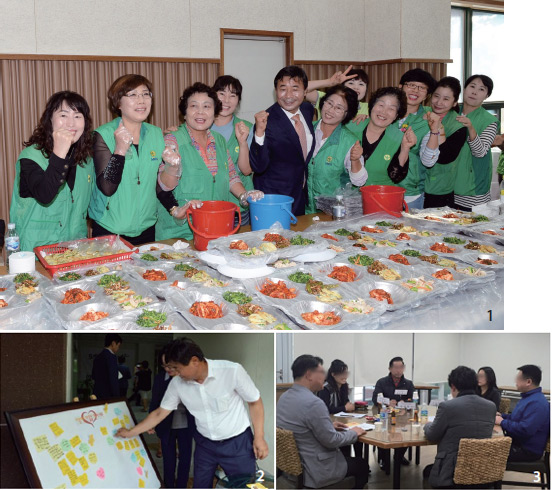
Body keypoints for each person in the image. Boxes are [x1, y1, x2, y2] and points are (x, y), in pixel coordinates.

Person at [115, 337, 269, 489]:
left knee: (244, 485)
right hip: (205, 445)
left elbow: (254, 401)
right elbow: (159, 413)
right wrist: (131, 432)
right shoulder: (177, 384)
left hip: (237, 444)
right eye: (169, 368)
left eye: (176, 368)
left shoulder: (232, 371)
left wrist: (259, 437)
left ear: (194, 361)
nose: (173, 373)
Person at [155, 82, 263, 240]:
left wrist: (245, 195)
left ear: (214, 113)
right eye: (193, 106)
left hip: (217, 228)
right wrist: (172, 166)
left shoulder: (219, 140)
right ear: (184, 113)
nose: (200, 112)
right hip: (181, 233)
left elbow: (232, 176)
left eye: (207, 107)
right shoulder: (172, 140)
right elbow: (164, 186)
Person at [88, 74, 177, 246]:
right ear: (118, 103)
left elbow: (155, 183)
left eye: (145, 94)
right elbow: (107, 187)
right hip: (110, 229)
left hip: (147, 227)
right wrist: (119, 151)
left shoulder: (155, 134)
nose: (141, 100)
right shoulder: (104, 134)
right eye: (133, 95)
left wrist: (174, 208)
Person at [9, 91, 95, 252]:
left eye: (78, 116)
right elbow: (44, 195)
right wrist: (59, 153)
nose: (71, 123)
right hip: (36, 252)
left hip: (75, 251)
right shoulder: (31, 156)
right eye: (63, 115)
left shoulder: (86, 161)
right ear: (50, 120)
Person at [277, 355, 369, 489]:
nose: (324, 377)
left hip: (292, 467)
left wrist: (329, 426)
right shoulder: (313, 402)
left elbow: (302, 426)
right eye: (321, 373)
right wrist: (353, 433)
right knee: (362, 465)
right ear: (309, 375)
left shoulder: (284, 397)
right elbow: (332, 440)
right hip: (315, 469)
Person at [250, 66, 316, 216]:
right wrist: (259, 132)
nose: (289, 95)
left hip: (299, 195)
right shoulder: (267, 120)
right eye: (283, 89)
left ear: (305, 92)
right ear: (276, 91)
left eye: (295, 88)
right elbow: (259, 167)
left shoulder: (307, 110)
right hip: (273, 199)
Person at [424, 366, 496, 488]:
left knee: (427, 471)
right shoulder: (491, 406)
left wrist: (427, 425)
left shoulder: (448, 406)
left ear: (453, 386)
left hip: (452, 472)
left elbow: (432, 435)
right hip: (482, 470)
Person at [305, 85, 366, 214]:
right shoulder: (306, 130)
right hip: (303, 210)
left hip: (333, 212)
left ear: (346, 114)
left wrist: (355, 160)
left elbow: (359, 181)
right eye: (329, 103)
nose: (330, 110)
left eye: (339, 108)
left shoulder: (349, 141)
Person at [347, 87, 417, 187]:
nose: (383, 112)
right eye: (381, 105)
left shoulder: (399, 138)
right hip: (346, 196)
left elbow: (396, 177)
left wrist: (405, 148)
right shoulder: (351, 127)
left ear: (397, 115)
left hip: (381, 196)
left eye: (391, 109)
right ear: (371, 106)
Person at [149, 344, 195, 488]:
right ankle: (168, 485)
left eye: (170, 366)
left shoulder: (188, 378)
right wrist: (151, 422)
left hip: (185, 424)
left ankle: (181, 485)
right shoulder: (159, 378)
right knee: (168, 459)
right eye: (164, 366)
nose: (167, 369)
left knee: (185, 458)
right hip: (166, 424)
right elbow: (155, 400)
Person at [211, 75, 255, 225]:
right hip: (211, 203)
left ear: (238, 101)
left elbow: (246, 170)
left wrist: (242, 142)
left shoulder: (247, 128)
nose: (226, 100)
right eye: (221, 93)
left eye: (233, 95)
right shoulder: (201, 127)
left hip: (239, 205)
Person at [422, 76, 470, 209]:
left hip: (439, 187)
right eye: (436, 96)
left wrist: (439, 129)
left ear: (454, 103)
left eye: (446, 99)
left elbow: (445, 157)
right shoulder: (423, 114)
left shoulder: (459, 124)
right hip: (415, 184)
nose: (439, 102)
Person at [454, 75, 500, 210]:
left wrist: (471, 128)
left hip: (472, 190)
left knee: (470, 227)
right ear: (465, 88)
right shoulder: (452, 112)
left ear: (487, 95)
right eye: (472, 86)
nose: (474, 92)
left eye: (481, 89)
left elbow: (480, 152)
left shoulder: (490, 121)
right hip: (446, 185)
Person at [396, 69, 438, 209]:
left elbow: (429, 161)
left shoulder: (429, 119)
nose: (416, 91)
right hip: (379, 186)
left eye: (422, 88)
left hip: (410, 193)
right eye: (411, 85)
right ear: (400, 87)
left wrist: (435, 131)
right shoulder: (384, 112)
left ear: (427, 95)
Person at [496, 365, 550, 462]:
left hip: (527, 450)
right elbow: (515, 418)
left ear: (528, 382)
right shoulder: (528, 398)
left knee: (488, 453)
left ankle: (495, 476)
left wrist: (502, 422)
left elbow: (525, 430)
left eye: (518, 379)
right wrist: (502, 416)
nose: (515, 382)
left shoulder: (537, 403)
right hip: (518, 443)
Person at [372, 357, 415, 470]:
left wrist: (404, 403)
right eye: (395, 367)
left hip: (402, 418)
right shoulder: (382, 382)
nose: (398, 370)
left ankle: (399, 456)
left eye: (401, 367)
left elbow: (413, 400)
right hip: (385, 416)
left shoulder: (408, 384)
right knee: (383, 434)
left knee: (405, 434)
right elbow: (375, 398)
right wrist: (387, 402)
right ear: (390, 368)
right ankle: (383, 458)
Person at [317, 359, 364, 460]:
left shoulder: (343, 386)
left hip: (343, 419)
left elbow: (345, 402)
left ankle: (359, 460)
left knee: (358, 436)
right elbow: (325, 409)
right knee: (347, 435)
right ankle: (346, 461)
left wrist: (349, 406)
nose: (345, 376)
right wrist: (344, 408)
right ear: (333, 374)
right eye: (342, 373)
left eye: (346, 373)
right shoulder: (325, 388)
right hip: (330, 422)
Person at [305, 66, 370, 123]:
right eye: (351, 83)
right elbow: (302, 89)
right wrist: (329, 82)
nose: (356, 87)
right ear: (343, 86)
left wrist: (368, 118)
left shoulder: (369, 108)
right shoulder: (328, 99)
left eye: (361, 84)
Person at [91, 333, 122, 400]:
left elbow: (93, 375)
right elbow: (113, 379)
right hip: (108, 395)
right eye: (118, 346)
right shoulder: (112, 357)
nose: (118, 348)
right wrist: (117, 397)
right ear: (113, 343)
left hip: (97, 393)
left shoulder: (97, 357)